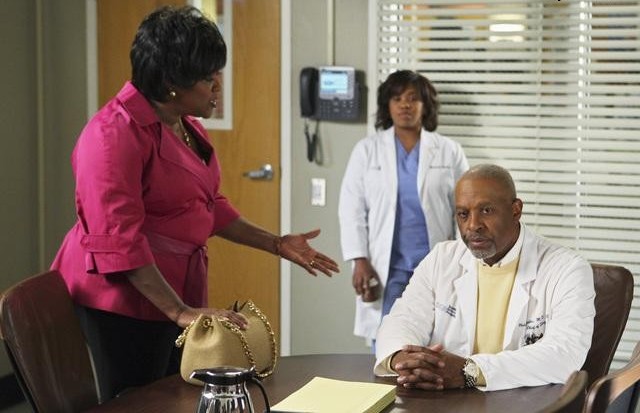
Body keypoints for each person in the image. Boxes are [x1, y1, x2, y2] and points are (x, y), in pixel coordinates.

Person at [51, 6, 338, 401]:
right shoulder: (111, 136)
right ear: (171, 81)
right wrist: (181, 312)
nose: (218, 85)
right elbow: (120, 244)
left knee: (174, 396)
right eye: (208, 77)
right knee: (139, 402)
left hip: (173, 294)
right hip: (122, 301)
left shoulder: (184, 125)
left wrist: (275, 243)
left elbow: (209, 206)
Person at [373, 164, 595, 391]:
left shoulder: (567, 269)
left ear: (516, 210)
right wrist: (401, 359)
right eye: (463, 214)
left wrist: (470, 371)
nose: (473, 225)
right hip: (449, 400)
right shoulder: (442, 259)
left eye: (486, 211)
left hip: (525, 403)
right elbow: (402, 320)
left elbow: (565, 355)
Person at [338, 70, 468, 343]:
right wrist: (359, 260)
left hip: (436, 262)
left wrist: (464, 260)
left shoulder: (449, 150)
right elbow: (351, 209)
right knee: (387, 341)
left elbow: (465, 208)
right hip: (388, 266)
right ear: (388, 105)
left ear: (425, 105)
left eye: (412, 98)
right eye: (397, 99)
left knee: (436, 339)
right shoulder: (367, 150)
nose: (405, 105)